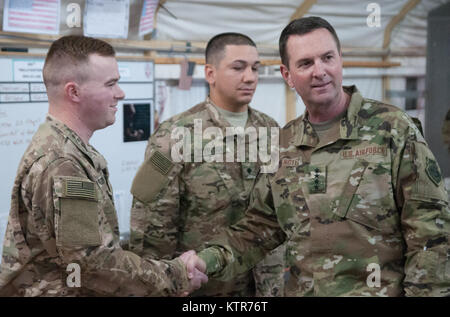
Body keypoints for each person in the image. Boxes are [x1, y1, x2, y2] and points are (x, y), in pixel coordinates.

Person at [196, 17, 450, 296]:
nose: (320, 71)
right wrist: (205, 260)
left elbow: (432, 236)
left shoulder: (393, 129)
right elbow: (259, 229)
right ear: (287, 74)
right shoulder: (283, 144)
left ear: (340, 60)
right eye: (305, 63)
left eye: (327, 58)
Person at [0, 35, 207, 296]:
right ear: (73, 92)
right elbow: (93, 264)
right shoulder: (63, 163)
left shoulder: (71, 151)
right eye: (111, 84)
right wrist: (176, 275)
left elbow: (93, 252)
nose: (120, 93)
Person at [129, 32, 286, 296]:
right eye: (238, 67)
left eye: (255, 68)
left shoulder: (270, 130)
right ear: (210, 74)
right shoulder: (175, 134)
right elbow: (151, 229)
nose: (250, 77)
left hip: (264, 285)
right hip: (205, 288)